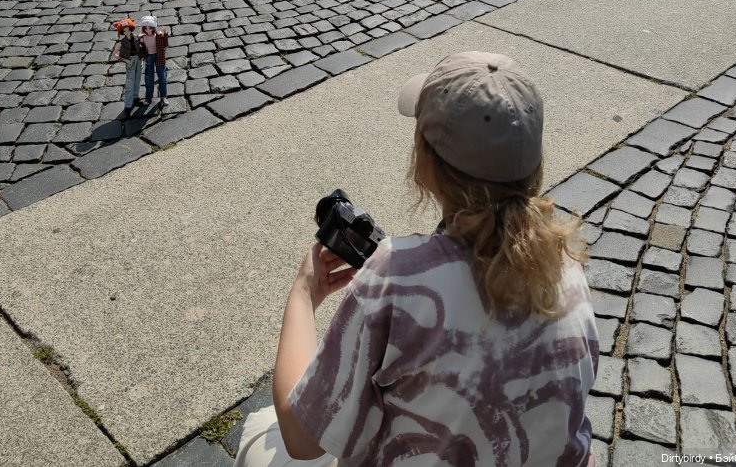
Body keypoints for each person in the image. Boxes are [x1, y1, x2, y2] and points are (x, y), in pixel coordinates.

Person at [236, 51, 597, 467]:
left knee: (262, 433)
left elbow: (303, 439)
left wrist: (303, 293)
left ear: (426, 166)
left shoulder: (398, 274)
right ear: (533, 164)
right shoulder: (567, 268)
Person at [111, 17, 143, 120]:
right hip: (130, 62)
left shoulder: (137, 37)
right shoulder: (122, 43)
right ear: (122, 32)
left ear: (131, 28)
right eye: (124, 31)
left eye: (128, 29)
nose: (127, 32)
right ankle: (128, 106)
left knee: (137, 80)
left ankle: (135, 97)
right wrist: (125, 61)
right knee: (130, 83)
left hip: (138, 60)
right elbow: (114, 54)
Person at [139, 15, 168, 110]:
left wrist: (164, 33)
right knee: (149, 78)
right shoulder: (142, 37)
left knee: (162, 77)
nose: (148, 30)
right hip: (149, 57)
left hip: (159, 56)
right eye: (145, 28)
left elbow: (165, 44)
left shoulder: (158, 35)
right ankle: (148, 97)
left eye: (150, 28)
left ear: (154, 27)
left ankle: (163, 96)